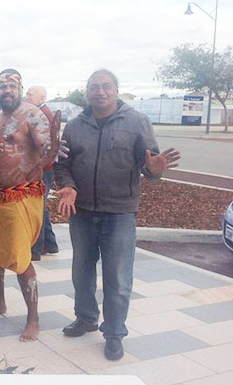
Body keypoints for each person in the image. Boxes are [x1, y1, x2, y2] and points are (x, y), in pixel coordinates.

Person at [55, 69, 181, 361]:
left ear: (116, 90)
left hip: (120, 213)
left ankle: (114, 333)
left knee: (117, 277)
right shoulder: (74, 126)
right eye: (95, 87)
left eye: (107, 87)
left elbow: (149, 166)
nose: (101, 92)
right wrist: (69, 187)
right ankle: (86, 318)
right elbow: (62, 165)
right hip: (82, 211)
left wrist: (154, 169)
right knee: (81, 271)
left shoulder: (137, 122)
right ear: (86, 92)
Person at [0, 69, 60, 342]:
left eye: (12, 86)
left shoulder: (32, 114)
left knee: (21, 257)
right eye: (2, 86)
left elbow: (47, 153)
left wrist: (52, 143)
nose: (6, 91)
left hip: (21, 196)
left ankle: (33, 318)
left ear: (20, 89)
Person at [25, 85, 59, 261]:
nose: (27, 96)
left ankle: (35, 250)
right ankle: (50, 244)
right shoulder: (42, 112)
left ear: (41, 97)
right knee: (41, 205)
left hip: (42, 168)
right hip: (44, 168)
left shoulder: (42, 114)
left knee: (37, 207)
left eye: (30, 94)